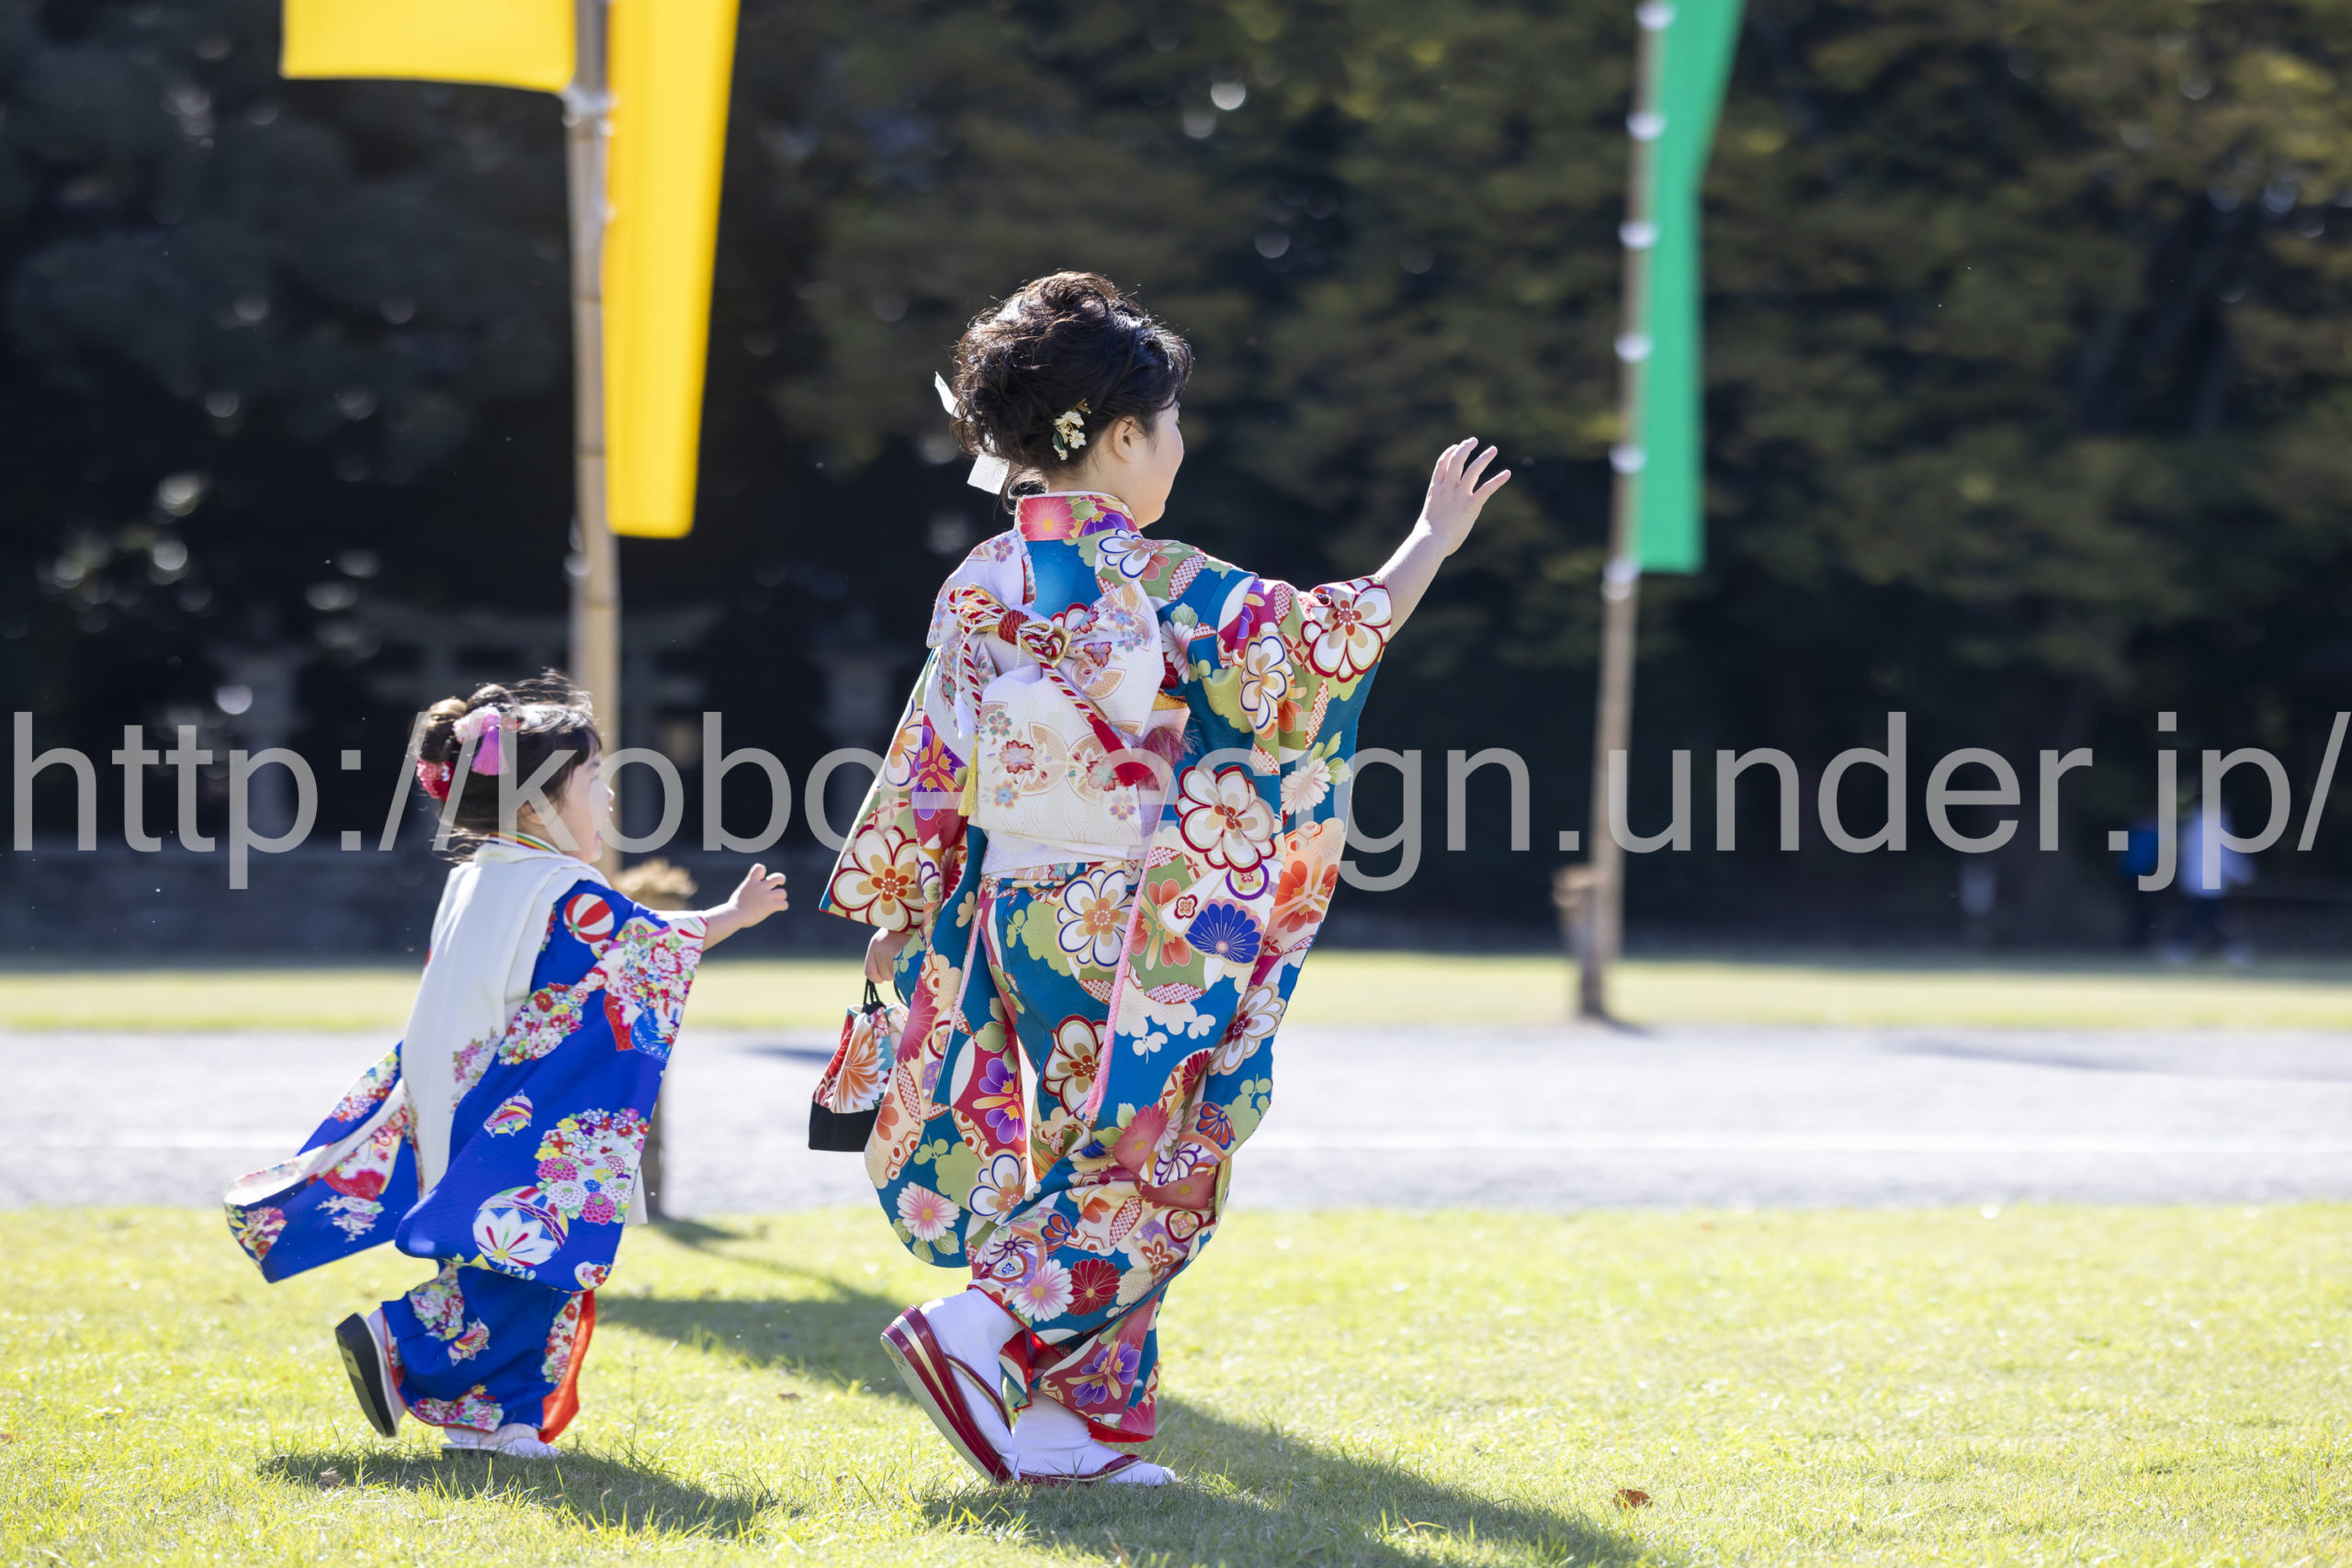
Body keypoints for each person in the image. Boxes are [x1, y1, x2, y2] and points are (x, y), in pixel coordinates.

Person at [819, 272, 1508, 1484]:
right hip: (1135, 919)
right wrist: (1430, 542)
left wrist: (903, 910)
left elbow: (933, 753)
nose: (1180, 446)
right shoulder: (1159, 577)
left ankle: (1071, 1429)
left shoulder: (980, 581)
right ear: (1122, 436)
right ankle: (979, 1326)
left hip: (1012, 911)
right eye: (1171, 423)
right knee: (1164, 1157)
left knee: (1079, 1154)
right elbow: (1319, 652)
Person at [222, 676, 789, 1457]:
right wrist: (733, 916)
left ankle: (493, 1420)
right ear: (535, 805)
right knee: (533, 1260)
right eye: (593, 777)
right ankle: (403, 1338)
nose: (610, 794)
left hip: (456, 1091)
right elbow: (644, 945)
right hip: (514, 1109)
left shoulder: (477, 875)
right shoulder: (562, 887)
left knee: (510, 1264)